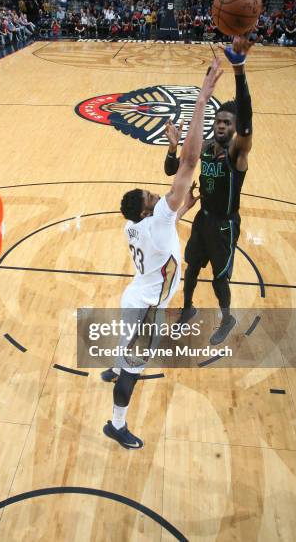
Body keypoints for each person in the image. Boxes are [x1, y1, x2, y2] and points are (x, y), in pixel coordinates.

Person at [101, 58, 223, 450]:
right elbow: (188, 162)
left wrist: (182, 207)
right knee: (132, 374)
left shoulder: (135, 224)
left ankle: (116, 365)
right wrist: (202, 96)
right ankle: (116, 424)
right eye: (153, 198)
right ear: (145, 210)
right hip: (146, 307)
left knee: (125, 355)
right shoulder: (154, 221)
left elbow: (168, 214)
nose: (159, 197)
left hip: (134, 297)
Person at [164, 36, 254, 345]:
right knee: (190, 269)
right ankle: (188, 309)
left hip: (225, 224)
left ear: (235, 127)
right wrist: (173, 148)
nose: (220, 125)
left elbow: (247, 121)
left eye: (227, 122)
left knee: (219, 278)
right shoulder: (205, 145)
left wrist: (239, 71)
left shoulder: (236, 153)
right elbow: (172, 171)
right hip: (203, 218)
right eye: (218, 121)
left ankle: (226, 318)